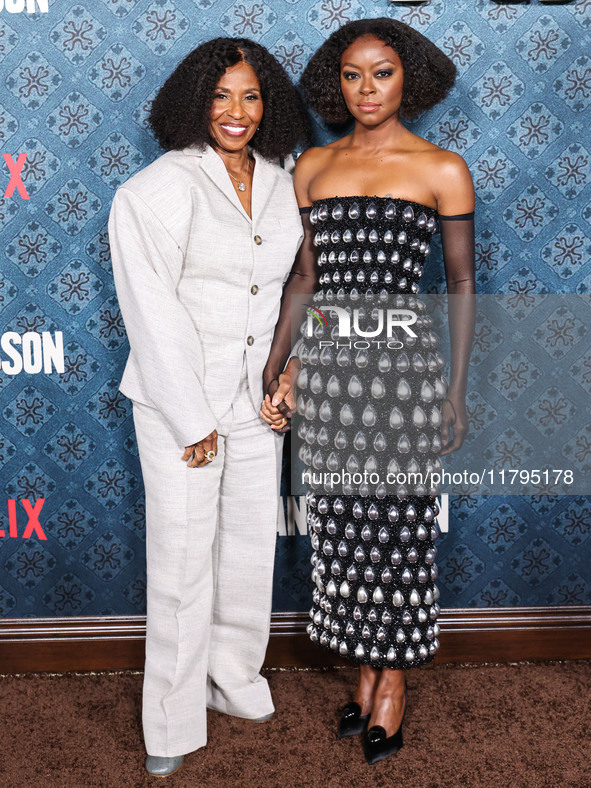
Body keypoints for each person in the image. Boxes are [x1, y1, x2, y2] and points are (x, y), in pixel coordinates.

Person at [260, 18, 475, 765]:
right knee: (345, 531)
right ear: (334, 81)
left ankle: (393, 685)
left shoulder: (440, 169)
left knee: (399, 530)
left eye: (381, 73)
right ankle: (362, 673)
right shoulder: (312, 166)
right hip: (330, 373)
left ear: (406, 76)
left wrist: (452, 389)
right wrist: (279, 356)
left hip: (402, 372)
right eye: (352, 75)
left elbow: (459, 281)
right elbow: (304, 278)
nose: (366, 89)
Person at [108, 37, 307, 777]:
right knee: (183, 563)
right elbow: (151, 313)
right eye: (221, 95)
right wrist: (190, 420)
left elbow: (301, 288)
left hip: (258, 402)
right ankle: (169, 720)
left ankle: (233, 680)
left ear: (269, 104)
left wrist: (291, 377)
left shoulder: (285, 179)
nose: (236, 111)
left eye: (251, 95)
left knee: (251, 552)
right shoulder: (156, 189)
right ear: (195, 101)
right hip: (178, 404)